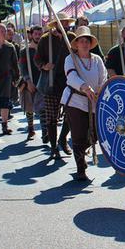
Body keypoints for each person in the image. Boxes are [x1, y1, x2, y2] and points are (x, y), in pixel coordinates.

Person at [61, 26, 107, 181]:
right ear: (77, 44)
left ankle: (82, 152)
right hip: (75, 101)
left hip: (94, 101)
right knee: (79, 135)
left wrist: (100, 88)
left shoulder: (97, 60)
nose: (85, 44)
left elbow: (103, 77)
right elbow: (71, 77)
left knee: (95, 134)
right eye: (81, 41)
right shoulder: (70, 59)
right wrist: (83, 86)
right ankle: (81, 167)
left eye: (87, 41)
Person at [35, 12, 76, 158]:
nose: (65, 24)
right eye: (62, 22)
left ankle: (63, 139)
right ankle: (53, 147)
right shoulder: (45, 39)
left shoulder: (71, 38)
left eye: (66, 22)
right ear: (56, 24)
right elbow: (37, 59)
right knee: (51, 118)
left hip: (68, 82)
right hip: (51, 82)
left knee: (71, 115)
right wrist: (44, 66)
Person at [18, 25, 43, 141]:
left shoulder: (45, 50)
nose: (38, 36)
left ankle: (45, 131)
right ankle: (31, 128)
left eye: (39, 34)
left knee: (43, 108)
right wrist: (28, 81)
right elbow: (23, 68)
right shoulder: (25, 51)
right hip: (29, 82)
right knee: (29, 107)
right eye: (36, 34)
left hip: (42, 82)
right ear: (31, 35)